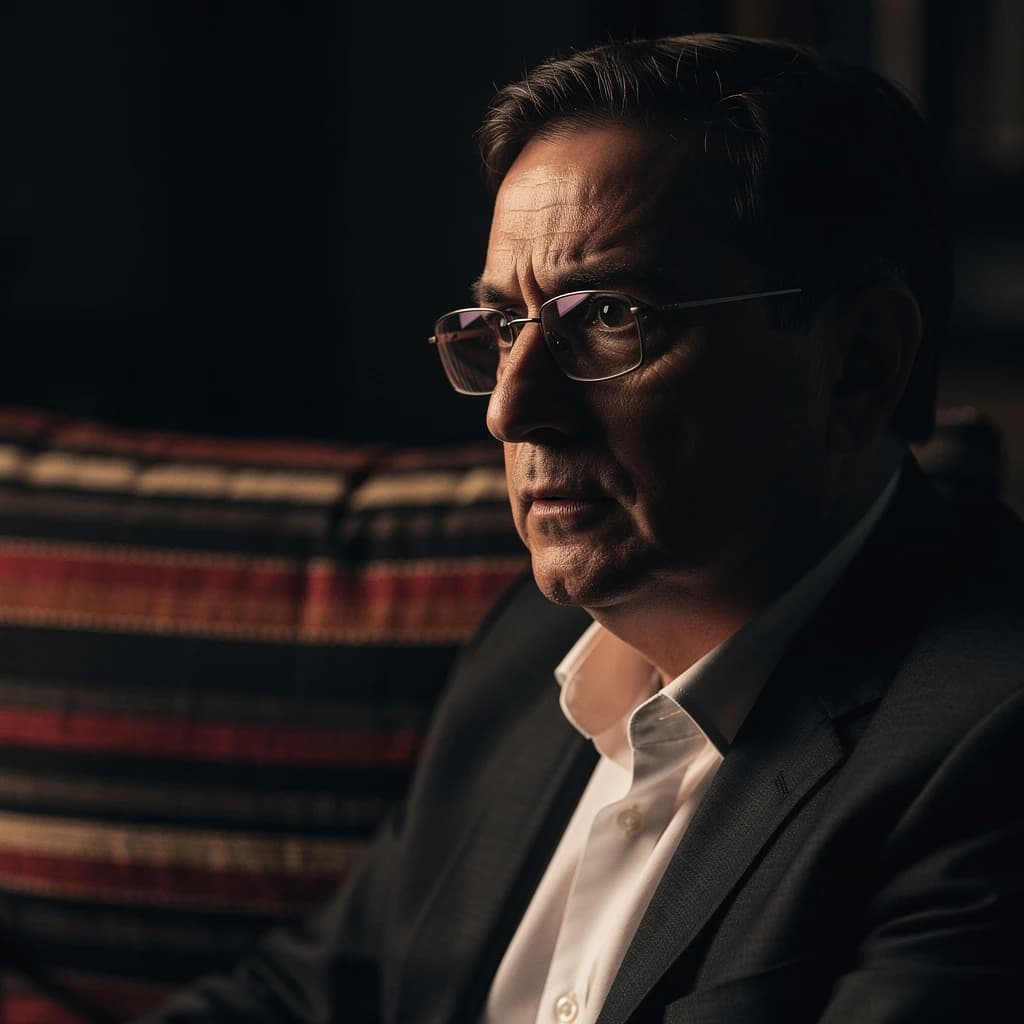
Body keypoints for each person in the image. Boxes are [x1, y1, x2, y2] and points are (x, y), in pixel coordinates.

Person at [137, 33, 1024, 1023]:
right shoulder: (524, 648)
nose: (511, 411)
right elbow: (309, 993)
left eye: (607, 313)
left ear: (859, 362)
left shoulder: (990, 742)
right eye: (501, 329)